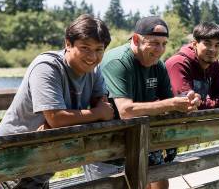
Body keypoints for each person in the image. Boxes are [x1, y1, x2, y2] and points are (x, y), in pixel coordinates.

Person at [0, 14, 114, 189]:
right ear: (68, 43)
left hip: (46, 156)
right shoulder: (47, 66)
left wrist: (95, 113)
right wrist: (95, 113)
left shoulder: (94, 71)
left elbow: (104, 108)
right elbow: (57, 118)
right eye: (85, 47)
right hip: (15, 157)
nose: (92, 56)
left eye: (99, 49)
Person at [84, 16, 201, 189]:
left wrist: (188, 101)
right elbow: (126, 111)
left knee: (161, 183)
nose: (160, 49)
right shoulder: (118, 62)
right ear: (136, 39)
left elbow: (169, 104)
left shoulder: (158, 65)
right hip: (105, 150)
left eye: (164, 43)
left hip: (138, 144)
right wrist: (172, 104)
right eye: (154, 42)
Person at [165, 22, 219, 109]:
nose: (212, 49)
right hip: (167, 120)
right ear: (194, 44)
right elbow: (187, 104)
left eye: (217, 45)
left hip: (196, 120)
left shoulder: (214, 64)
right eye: (207, 44)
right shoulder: (178, 63)